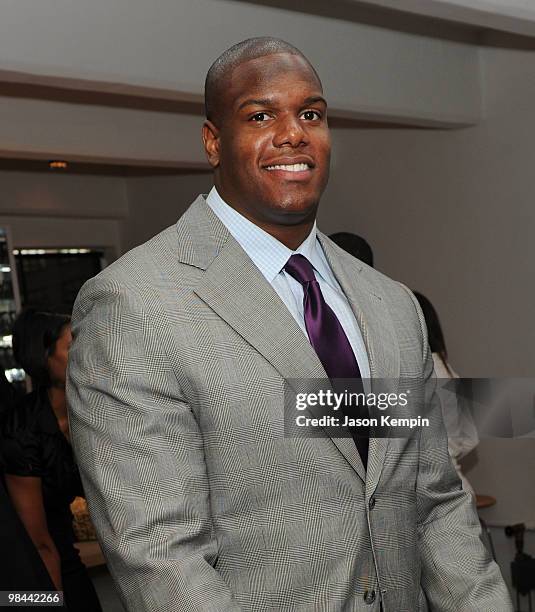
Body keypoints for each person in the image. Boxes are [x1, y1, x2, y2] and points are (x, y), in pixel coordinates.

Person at [67, 37, 512, 611]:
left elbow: (434, 499)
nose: (293, 133)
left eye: (311, 114)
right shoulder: (135, 303)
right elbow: (163, 562)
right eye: (259, 115)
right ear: (212, 141)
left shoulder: (391, 305)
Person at [2, 310, 102, 611]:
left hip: (63, 549)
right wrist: (50, 601)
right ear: (44, 357)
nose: (85, 354)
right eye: (72, 347)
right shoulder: (21, 431)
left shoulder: (88, 412)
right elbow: (38, 542)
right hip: (26, 566)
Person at [413, 291, 479, 493]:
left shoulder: (413, 373)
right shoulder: (448, 371)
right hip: (459, 488)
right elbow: (470, 440)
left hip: (430, 494)